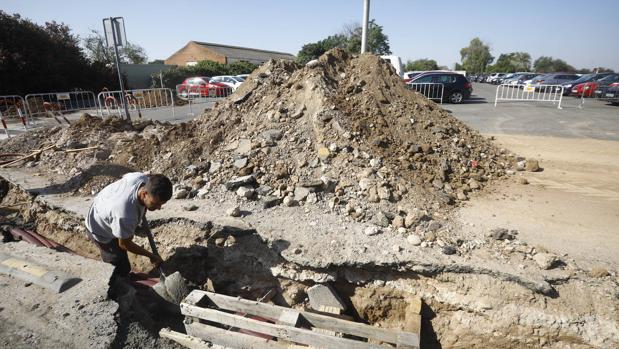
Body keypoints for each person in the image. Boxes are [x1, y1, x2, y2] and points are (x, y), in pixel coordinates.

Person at [85, 172, 172, 279]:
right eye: (155, 204)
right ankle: (114, 287)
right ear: (144, 194)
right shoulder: (125, 214)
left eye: (161, 204)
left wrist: (143, 210)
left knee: (125, 230)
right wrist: (151, 256)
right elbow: (124, 244)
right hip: (99, 229)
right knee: (119, 268)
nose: (159, 208)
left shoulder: (141, 178)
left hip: (105, 207)